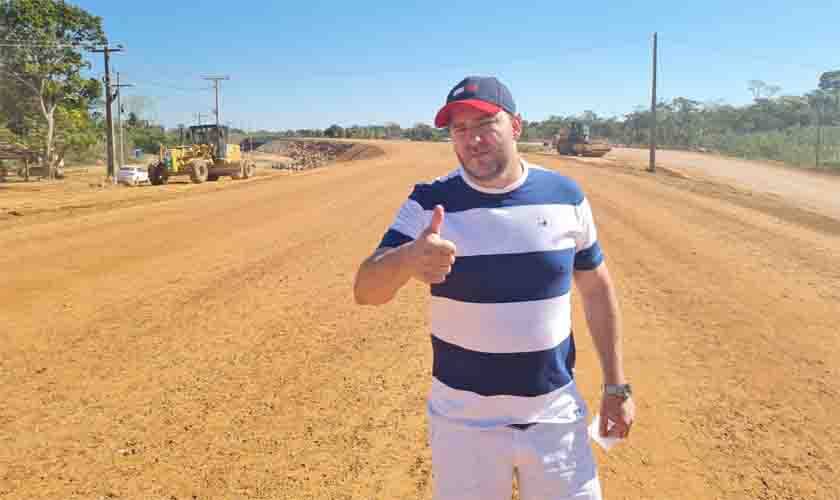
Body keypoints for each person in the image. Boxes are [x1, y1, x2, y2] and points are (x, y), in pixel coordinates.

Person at [353, 76, 634, 500]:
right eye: (460, 129)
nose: (473, 139)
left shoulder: (565, 197)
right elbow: (365, 291)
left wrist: (616, 386)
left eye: (485, 124)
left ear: (516, 126)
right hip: (463, 425)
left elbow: (596, 290)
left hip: (555, 419)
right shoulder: (429, 202)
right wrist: (407, 258)